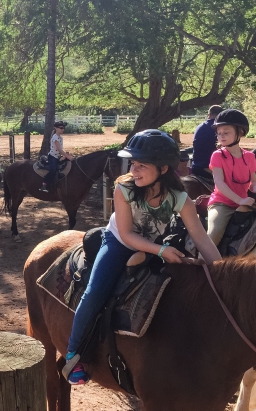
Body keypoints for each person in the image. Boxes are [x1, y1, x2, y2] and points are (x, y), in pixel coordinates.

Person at [63, 130, 221, 385]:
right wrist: (161, 251)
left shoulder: (180, 199)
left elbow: (201, 238)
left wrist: (222, 271)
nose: (134, 169)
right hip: (118, 242)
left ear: (163, 168)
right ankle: (74, 354)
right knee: (94, 291)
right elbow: (125, 234)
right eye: (133, 163)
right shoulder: (123, 188)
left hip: (155, 242)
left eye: (141, 165)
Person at [205, 109, 256, 246]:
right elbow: (219, 183)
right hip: (221, 203)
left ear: (240, 132)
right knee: (213, 235)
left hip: (244, 203)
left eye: (226, 132)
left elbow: (253, 183)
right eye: (219, 133)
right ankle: (201, 262)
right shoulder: (217, 155)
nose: (221, 136)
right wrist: (240, 199)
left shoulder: (250, 157)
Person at [191, 105, 224, 178]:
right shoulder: (221, 129)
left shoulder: (199, 127)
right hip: (209, 168)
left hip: (195, 166)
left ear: (209, 115)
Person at [41, 121, 74, 192]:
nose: (63, 129)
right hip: (52, 157)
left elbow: (60, 150)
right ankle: (44, 184)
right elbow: (59, 149)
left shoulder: (60, 137)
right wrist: (67, 156)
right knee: (53, 170)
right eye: (61, 128)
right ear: (56, 128)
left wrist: (65, 155)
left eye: (63, 128)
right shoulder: (55, 137)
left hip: (58, 156)